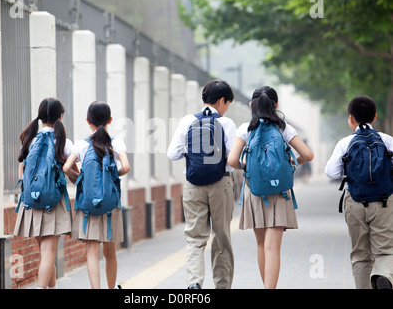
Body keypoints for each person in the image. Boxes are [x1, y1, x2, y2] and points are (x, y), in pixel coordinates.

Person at [228, 86, 313, 289]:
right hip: (280, 191)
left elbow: (232, 161)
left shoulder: (245, 129)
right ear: (276, 105)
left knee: (261, 244)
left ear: (251, 106)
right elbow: (308, 155)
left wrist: (247, 166)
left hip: (255, 189)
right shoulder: (283, 128)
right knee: (273, 247)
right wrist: (291, 163)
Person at [167, 80, 236, 289]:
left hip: (193, 184)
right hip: (221, 183)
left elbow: (172, 154)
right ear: (222, 101)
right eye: (227, 103)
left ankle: (194, 283)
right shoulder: (226, 123)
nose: (226, 108)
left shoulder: (188, 121)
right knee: (221, 236)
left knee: (195, 237)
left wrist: (194, 155)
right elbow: (232, 162)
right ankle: (222, 286)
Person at [324, 95, 393, 289]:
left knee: (360, 254)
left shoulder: (345, 143)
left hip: (354, 200)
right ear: (375, 117)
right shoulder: (387, 140)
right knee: (386, 251)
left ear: (350, 118)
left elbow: (331, 172)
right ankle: (382, 275)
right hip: (384, 200)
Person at [63, 101, 130, 289]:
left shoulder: (82, 145)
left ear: (87, 121)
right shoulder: (116, 142)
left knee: (92, 250)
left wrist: (80, 180)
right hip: (111, 205)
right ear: (110, 120)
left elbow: (66, 167)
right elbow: (126, 166)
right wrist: (111, 177)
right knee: (110, 251)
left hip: (88, 204)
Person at [14, 98, 74, 289]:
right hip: (53, 203)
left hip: (31, 202)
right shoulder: (63, 142)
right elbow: (73, 173)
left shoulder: (30, 139)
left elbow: (21, 170)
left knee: (45, 252)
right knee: (48, 253)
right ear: (61, 117)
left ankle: (52, 287)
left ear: (40, 117)